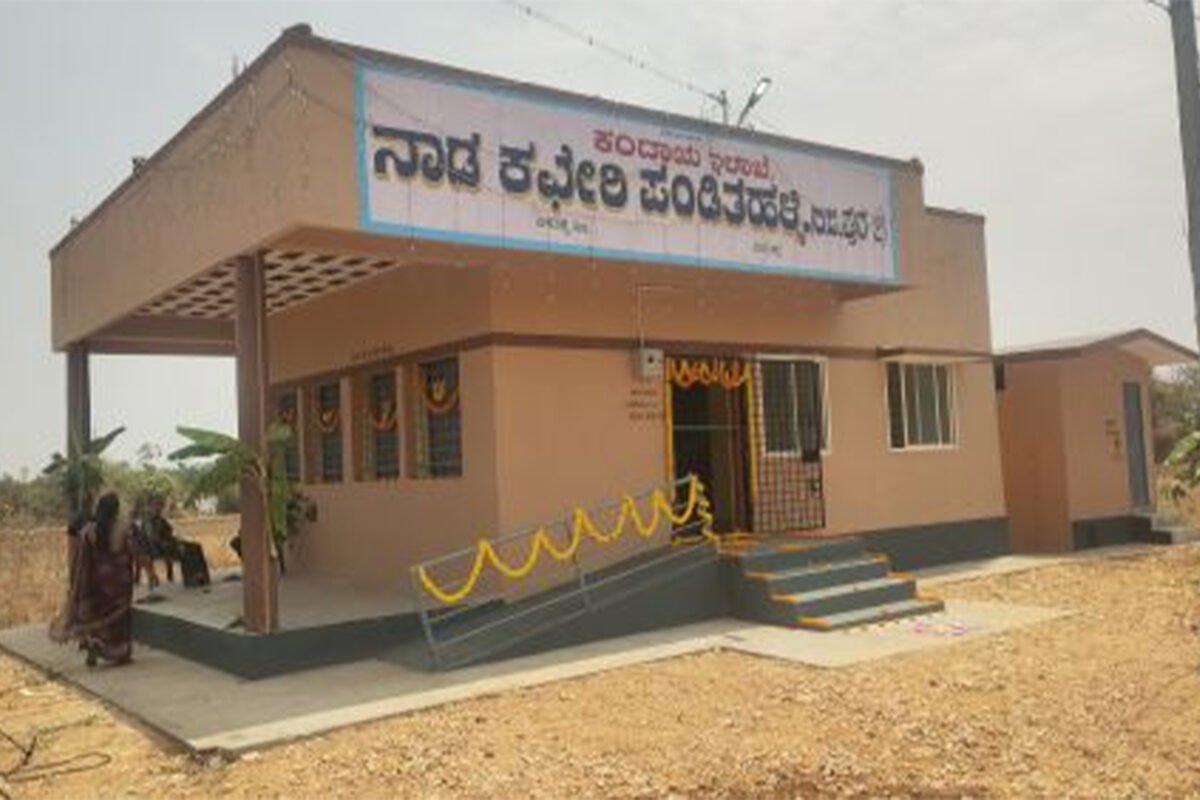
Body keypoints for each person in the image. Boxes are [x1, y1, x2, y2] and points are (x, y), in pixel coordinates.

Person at [49, 492, 135, 667]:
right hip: (118, 586)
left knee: (94, 610)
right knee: (120, 631)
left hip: (97, 581)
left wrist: (79, 584)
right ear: (116, 510)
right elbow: (131, 554)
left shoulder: (89, 530)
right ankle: (112, 648)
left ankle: (93, 641)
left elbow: (82, 560)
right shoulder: (124, 528)